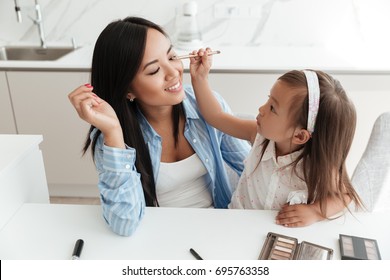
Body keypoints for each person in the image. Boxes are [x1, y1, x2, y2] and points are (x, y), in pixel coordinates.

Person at [67, 18, 250, 236]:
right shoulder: (111, 136)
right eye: (154, 70)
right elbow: (124, 223)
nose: (173, 72)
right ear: (127, 90)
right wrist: (114, 133)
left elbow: (251, 167)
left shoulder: (206, 105)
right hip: (158, 235)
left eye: (172, 56)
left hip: (217, 224)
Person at [190, 48, 363, 227]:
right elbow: (216, 117)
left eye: (273, 108)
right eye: (268, 100)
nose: (261, 109)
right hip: (236, 224)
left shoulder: (315, 164)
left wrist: (315, 212)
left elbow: (344, 196)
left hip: (278, 233)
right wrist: (200, 78)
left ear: (300, 135)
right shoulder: (258, 136)